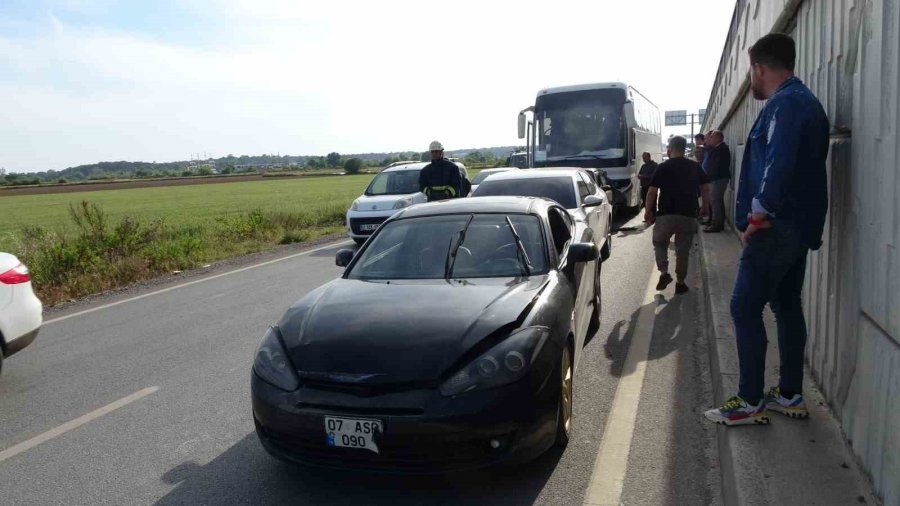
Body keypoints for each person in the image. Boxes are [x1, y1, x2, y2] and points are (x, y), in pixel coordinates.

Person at [704, 33, 829, 426]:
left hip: (775, 227)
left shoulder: (785, 106)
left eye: (751, 71)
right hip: (798, 226)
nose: (751, 78)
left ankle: (750, 401)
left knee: (744, 306)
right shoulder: (804, 101)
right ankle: (790, 393)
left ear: (759, 68)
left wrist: (757, 216)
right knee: (787, 305)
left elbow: (778, 165)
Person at [643, 136, 711, 295]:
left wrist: (647, 211)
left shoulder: (662, 167)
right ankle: (680, 283)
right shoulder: (695, 166)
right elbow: (705, 188)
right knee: (683, 250)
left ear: (670, 149)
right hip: (688, 214)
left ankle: (664, 273)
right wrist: (705, 206)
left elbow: (652, 192)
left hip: (666, 214)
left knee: (659, 242)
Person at [702, 131, 732, 232]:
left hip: (718, 179)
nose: (710, 139)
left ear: (718, 138)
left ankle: (716, 225)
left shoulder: (722, 149)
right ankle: (718, 223)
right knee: (717, 201)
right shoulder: (717, 148)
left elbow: (716, 166)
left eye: (712, 137)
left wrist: (710, 176)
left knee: (715, 201)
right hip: (716, 179)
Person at [638, 152, 658, 219]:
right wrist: (639, 176)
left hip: (651, 187)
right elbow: (640, 173)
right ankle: (648, 217)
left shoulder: (654, 165)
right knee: (645, 202)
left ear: (649, 157)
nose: (644, 159)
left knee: (652, 203)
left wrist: (643, 176)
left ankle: (653, 217)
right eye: (643, 158)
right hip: (644, 187)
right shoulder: (643, 166)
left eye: (645, 158)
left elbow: (653, 176)